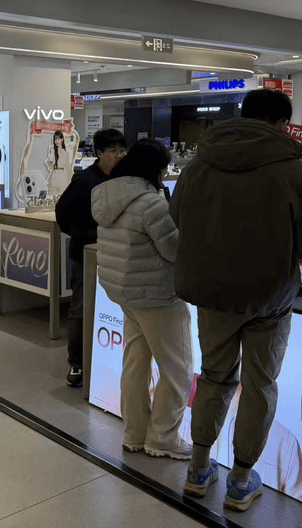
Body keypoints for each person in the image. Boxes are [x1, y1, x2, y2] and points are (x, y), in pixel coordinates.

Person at [171, 88, 302, 511]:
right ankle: (241, 482)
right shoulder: (296, 173)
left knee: (213, 377)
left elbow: (177, 218)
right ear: (283, 125)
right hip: (269, 298)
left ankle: (198, 470)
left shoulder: (197, 166)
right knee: (259, 385)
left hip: (211, 293)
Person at [91, 139, 192, 460]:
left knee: (135, 362)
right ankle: (163, 437)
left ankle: (135, 433)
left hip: (125, 292)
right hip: (158, 295)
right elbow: (175, 250)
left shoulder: (106, 196)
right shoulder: (152, 204)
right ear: (155, 170)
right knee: (178, 370)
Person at [55, 128, 127, 388]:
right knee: (81, 307)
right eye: (113, 151)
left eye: (122, 150)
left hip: (117, 254)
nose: (119, 155)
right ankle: (76, 363)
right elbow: (62, 213)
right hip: (85, 255)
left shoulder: (126, 178)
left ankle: (106, 359)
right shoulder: (84, 180)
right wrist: (84, 235)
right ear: (99, 153)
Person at [45, 131, 72, 199]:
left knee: (62, 197)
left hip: (63, 177)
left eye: (58, 139)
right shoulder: (53, 151)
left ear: (62, 139)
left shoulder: (66, 153)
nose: (57, 141)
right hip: (54, 176)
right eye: (55, 139)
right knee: (53, 198)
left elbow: (68, 167)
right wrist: (51, 152)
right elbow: (50, 166)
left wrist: (72, 178)